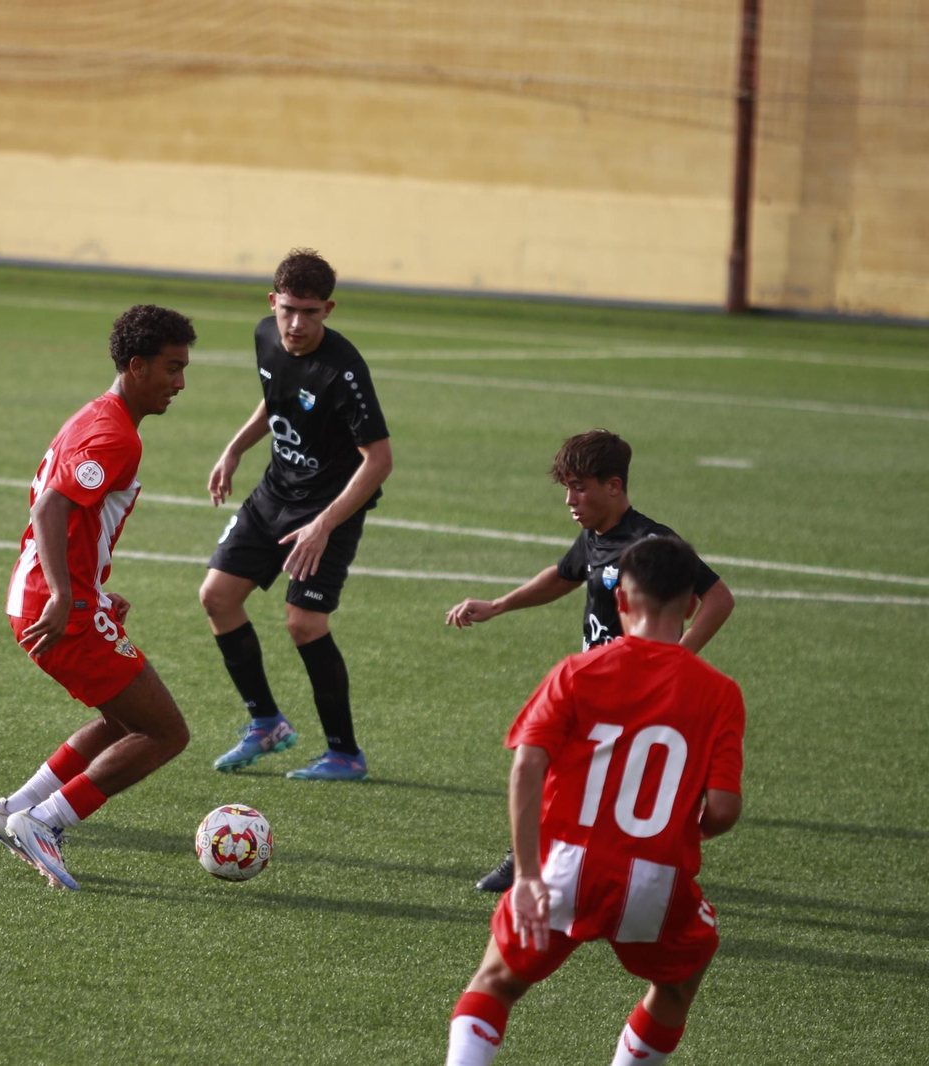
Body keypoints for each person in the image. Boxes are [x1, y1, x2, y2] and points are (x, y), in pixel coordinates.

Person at [444, 535, 745, 1066]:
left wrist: (529, 876)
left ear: (622, 602)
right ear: (692, 606)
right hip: (656, 880)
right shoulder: (719, 692)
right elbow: (721, 810)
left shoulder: (577, 672)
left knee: (495, 982)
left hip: (563, 866)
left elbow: (527, 765)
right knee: (678, 982)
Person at [445, 428, 735, 889]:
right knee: (581, 776)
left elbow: (718, 597)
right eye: (567, 489)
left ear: (614, 486)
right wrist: (499, 605)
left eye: (579, 487)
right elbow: (563, 576)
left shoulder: (651, 543)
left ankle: (536, 865)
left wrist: (678, 660)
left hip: (636, 688)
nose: (569, 501)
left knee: (565, 770)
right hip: (596, 681)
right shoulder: (596, 535)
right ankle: (585, 864)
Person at [0, 304, 196, 891]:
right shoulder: (117, 435)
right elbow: (51, 506)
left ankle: (9, 812)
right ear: (137, 365)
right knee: (165, 734)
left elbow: (66, 509)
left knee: (122, 719)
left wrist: (91, 591)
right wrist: (68, 595)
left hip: (51, 599)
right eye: (172, 369)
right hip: (59, 609)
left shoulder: (97, 415)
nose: (180, 383)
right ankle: (43, 822)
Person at [201, 249, 392, 781]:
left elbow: (379, 461)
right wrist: (234, 449)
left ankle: (344, 753)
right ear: (273, 302)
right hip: (274, 493)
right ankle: (266, 723)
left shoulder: (344, 371)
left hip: (326, 509)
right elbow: (275, 400)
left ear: (328, 309)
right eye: (288, 309)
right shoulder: (265, 335)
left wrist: (324, 525)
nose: (297, 323)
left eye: (310, 312)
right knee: (217, 596)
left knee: (304, 624)